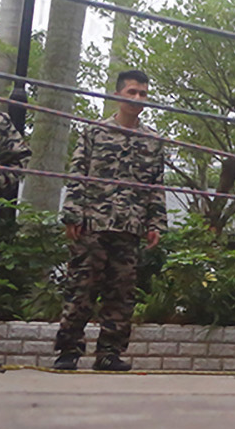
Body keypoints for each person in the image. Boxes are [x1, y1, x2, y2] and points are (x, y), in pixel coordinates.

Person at [52, 70, 165, 371]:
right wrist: (72, 214)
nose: (138, 98)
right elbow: (77, 174)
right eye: (132, 92)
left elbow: (155, 186)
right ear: (117, 95)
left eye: (143, 93)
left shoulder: (153, 141)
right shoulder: (94, 133)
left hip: (129, 227)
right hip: (93, 224)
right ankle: (68, 351)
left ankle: (109, 354)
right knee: (81, 289)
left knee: (121, 294)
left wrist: (155, 224)